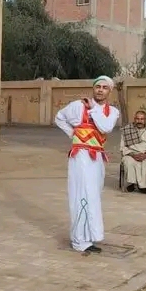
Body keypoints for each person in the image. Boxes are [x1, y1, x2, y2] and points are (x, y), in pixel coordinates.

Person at [54, 76, 121, 252]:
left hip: (97, 157)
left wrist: (93, 110)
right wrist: (72, 133)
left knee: (93, 196)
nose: (100, 90)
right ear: (93, 88)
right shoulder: (78, 106)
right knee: (82, 195)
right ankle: (79, 240)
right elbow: (59, 117)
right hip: (81, 156)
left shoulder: (112, 111)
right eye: (98, 86)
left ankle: (89, 236)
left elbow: (105, 127)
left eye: (104, 87)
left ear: (109, 91)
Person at [119, 110, 146, 194]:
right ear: (134, 119)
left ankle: (144, 186)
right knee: (129, 162)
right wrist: (132, 154)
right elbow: (123, 147)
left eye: (142, 119)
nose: (139, 121)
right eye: (137, 119)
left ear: (145, 120)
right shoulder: (127, 130)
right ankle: (132, 184)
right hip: (131, 153)